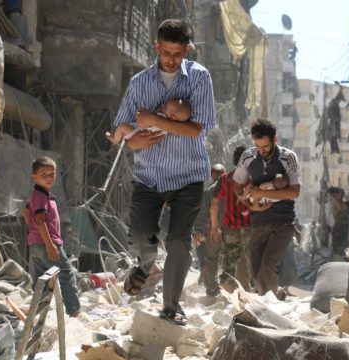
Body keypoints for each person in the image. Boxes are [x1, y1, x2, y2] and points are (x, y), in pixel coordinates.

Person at [112, 19, 215, 326]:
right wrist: (134, 138)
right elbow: (122, 127)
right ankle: (144, 266)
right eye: (166, 52)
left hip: (188, 175)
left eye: (178, 53)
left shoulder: (199, 78)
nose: (171, 59)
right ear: (157, 47)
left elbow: (196, 129)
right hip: (149, 176)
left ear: (187, 50)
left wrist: (150, 120)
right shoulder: (139, 83)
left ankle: (171, 305)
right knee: (143, 236)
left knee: (179, 242)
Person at [233, 119, 301, 300]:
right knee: (255, 269)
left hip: (283, 222)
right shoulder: (248, 157)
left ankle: (270, 306)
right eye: (258, 146)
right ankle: (276, 293)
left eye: (265, 147)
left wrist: (260, 191)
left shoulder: (288, 158)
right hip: (259, 221)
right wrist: (250, 204)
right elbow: (237, 187)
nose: (261, 151)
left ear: (275, 139)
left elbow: (294, 192)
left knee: (268, 266)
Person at [25, 157, 81, 317]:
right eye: (44, 174)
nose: (49, 178)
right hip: (47, 244)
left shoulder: (40, 195)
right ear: (34, 176)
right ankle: (73, 310)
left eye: (52, 174)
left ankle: (38, 313)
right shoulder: (41, 196)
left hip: (36, 244)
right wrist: (50, 245)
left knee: (42, 280)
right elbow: (40, 221)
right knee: (66, 272)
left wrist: (34, 234)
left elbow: (27, 213)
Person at [208, 145, 253, 295]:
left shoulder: (225, 179)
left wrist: (214, 227)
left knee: (229, 265)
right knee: (252, 264)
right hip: (250, 230)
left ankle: (233, 292)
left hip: (231, 230)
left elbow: (214, 204)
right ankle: (249, 293)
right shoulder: (254, 179)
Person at [193, 164, 225, 294]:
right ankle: (229, 286)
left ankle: (211, 288)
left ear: (212, 175)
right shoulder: (232, 187)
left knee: (210, 258)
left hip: (212, 229)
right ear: (224, 173)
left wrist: (198, 230)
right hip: (231, 228)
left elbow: (202, 212)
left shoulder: (209, 191)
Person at [106, 98, 192, 144]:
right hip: (137, 132)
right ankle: (118, 137)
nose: (163, 107)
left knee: (121, 127)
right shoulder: (168, 128)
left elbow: (148, 124)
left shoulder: (161, 120)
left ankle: (115, 140)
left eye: (165, 108)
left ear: (172, 117)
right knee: (123, 128)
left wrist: (144, 115)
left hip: (137, 132)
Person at [327, 187, 349, 259]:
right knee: (337, 242)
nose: (342, 195)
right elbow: (334, 214)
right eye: (340, 193)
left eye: (343, 193)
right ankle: (337, 256)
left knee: (343, 242)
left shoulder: (342, 203)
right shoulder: (334, 202)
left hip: (344, 225)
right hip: (337, 225)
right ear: (336, 194)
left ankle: (341, 255)